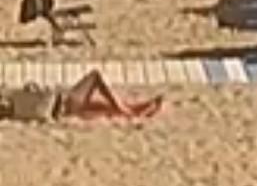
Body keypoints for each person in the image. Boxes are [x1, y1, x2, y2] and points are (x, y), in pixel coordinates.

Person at [0, 70, 163, 123]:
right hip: (63, 101)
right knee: (95, 77)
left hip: (62, 109)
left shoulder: (13, 109)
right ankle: (129, 110)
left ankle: (137, 109)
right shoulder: (14, 100)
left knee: (103, 107)